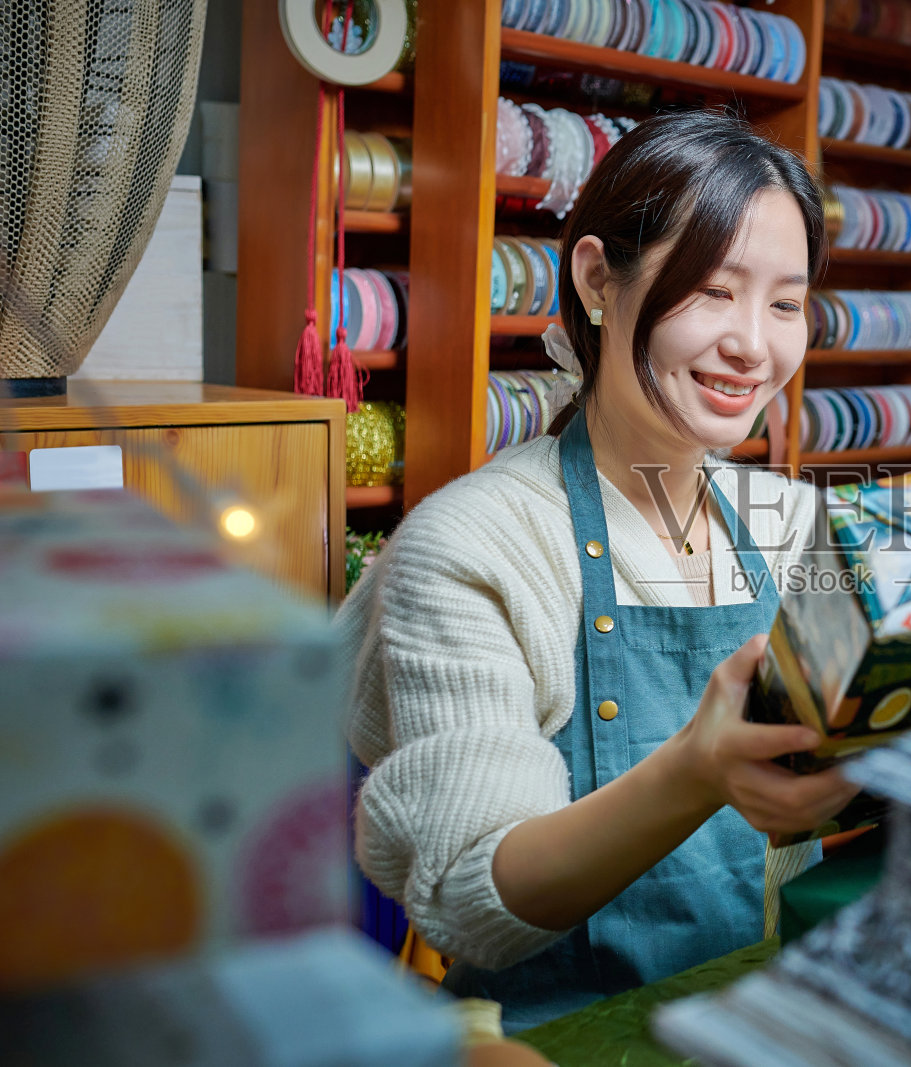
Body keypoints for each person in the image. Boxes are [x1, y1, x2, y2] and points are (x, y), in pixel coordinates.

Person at [337, 111, 860, 1032]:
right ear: (595, 281)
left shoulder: (798, 526)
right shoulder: (478, 546)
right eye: (710, 291)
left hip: (774, 1025)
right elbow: (466, 898)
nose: (753, 344)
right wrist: (698, 770)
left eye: (785, 304)